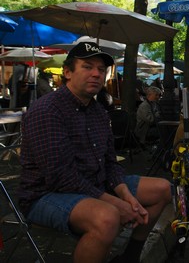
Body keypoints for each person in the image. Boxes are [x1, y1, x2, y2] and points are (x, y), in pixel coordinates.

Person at [18, 42, 171, 263]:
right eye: (88, 67)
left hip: (94, 183)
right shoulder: (47, 110)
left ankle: (130, 257)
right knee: (107, 217)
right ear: (68, 72)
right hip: (45, 194)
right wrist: (118, 204)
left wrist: (128, 198)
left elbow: (110, 163)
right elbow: (61, 177)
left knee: (162, 188)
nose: (96, 74)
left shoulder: (99, 111)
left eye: (101, 70)